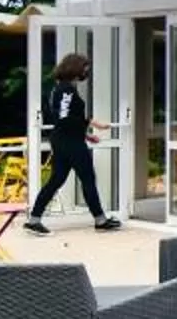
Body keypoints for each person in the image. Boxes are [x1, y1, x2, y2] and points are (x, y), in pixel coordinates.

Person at [26, 53, 121, 234]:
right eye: (85, 68)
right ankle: (100, 220)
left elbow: (67, 120)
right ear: (75, 68)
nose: (87, 72)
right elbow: (64, 119)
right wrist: (91, 122)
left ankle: (34, 219)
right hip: (69, 142)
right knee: (87, 179)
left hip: (66, 139)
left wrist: (85, 135)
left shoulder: (62, 88)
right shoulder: (66, 91)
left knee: (57, 180)